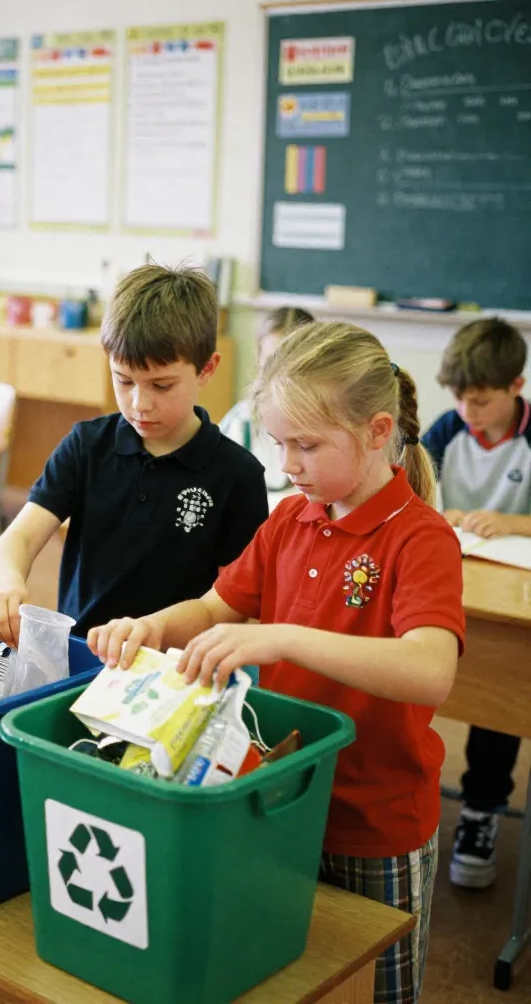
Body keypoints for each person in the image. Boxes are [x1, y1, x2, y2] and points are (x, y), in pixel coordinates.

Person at [89, 321, 464, 1004]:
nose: (287, 463)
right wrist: (151, 626)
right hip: (278, 804)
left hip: (373, 821)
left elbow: (429, 669)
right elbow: (214, 607)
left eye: (307, 445)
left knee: (378, 991)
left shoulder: (420, 539)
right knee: (282, 977)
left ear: (378, 432)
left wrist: (284, 639)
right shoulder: (292, 517)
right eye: (279, 442)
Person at [0, 262, 268, 648]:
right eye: (124, 380)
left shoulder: (238, 476)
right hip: (81, 653)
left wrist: (156, 629)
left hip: (174, 664)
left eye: (161, 385)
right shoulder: (86, 446)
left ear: (206, 369)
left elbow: (235, 605)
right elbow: (20, 537)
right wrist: (6, 584)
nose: (139, 403)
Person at [422, 316, 531, 889]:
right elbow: (412, 490)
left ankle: (482, 808)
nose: (468, 411)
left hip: (514, 590)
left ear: (516, 387)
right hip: (454, 575)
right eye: (460, 398)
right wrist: (445, 513)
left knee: (500, 692)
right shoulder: (447, 429)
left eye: (482, 400)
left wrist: (514, 522)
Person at [219, 305, 315, 490]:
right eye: (271, 362)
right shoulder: (240, 424)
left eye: (294, 364)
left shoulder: (330, 428)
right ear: (259, 361)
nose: (281, 376)